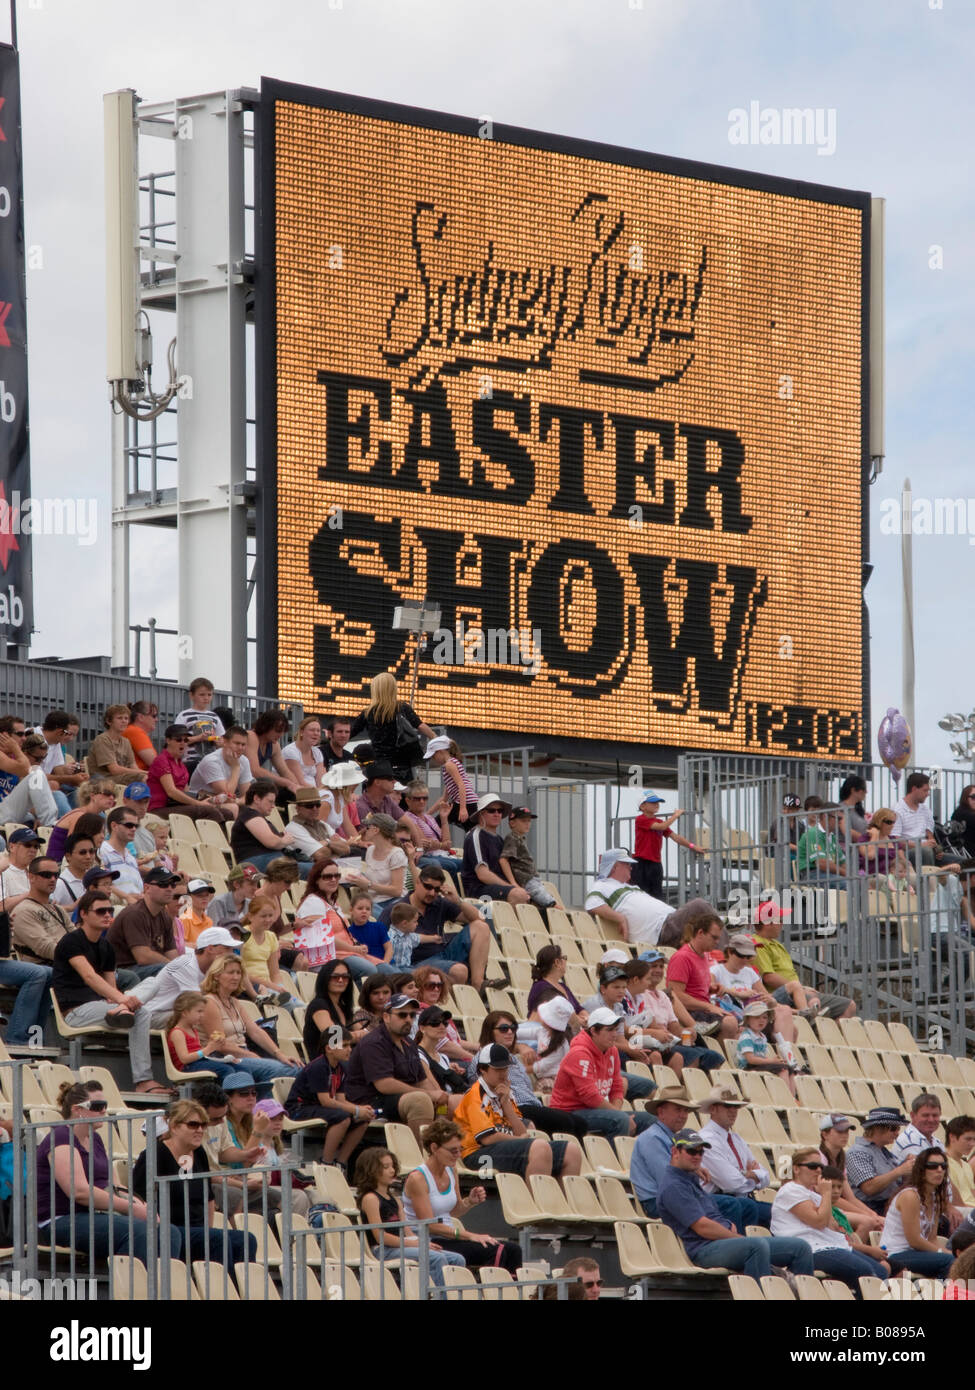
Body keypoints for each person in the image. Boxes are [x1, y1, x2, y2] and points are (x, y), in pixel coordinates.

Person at [37, 1081, 180, 1263]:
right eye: (97, 1106)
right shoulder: (61, 1137)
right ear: (77, 1109)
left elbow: (115, 1186)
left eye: (104, 1106)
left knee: (169, 1232)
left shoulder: (95, 1139)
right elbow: (79, 1191)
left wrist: (143, 1207)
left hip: (94, 1215)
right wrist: (131, 1208)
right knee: (138, 1231)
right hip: (61, 1219)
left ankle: (162, 1287)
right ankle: (134, 1288)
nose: (104, 1111)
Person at [51, 890, 170, 1096]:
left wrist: (120, 1002)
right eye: (100, 911)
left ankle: (122, 1011)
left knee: (152, 982)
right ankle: (143, 1080)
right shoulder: (71, 941)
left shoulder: (106, 946)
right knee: (141, 1013)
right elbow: (89, 977)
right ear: (84, 914)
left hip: (105, 1007)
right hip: (76, 1011)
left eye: (109, 910)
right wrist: (123, 1000)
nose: (107, 915)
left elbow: (110, 988)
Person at [657, 1129, 816, 1277]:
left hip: (718, 1242)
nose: (697, 1156)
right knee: (756, 1246)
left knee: (800, 1248)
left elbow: (710, 1216)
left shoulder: (688, 1178)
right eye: (691, 1151)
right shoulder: (674, 1186)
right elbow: (702, 1227)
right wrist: (735, 1236)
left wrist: (727, 1225)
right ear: (675, 1152)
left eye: (700, 1152)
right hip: (703, 1249)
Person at [132, 1099, 258, 1268]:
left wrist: (207, 1229)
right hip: (169, 1229)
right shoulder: (155, 1154)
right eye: (193, 1125)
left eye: (203, 1125)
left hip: (196, 1229)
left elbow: (208, 1198)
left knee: (247, 1239)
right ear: (175, 1126)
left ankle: (239, 1291)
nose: (200, 1130)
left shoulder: (199, 1153)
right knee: (217, 1239)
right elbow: (137, 1197)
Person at [402, 1117, 521, 1272]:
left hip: (449, 1237)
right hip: (428, 1240)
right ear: (434, 1148)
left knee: (513, 1250)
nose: (458, 1155)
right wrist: (470, 1235)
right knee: (494, 1250)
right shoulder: (418, 1179)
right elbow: (429, 1226)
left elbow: (455, 1211)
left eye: (460, 1149)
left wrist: (469, 1202)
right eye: (453, 1150)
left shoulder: (451, 1170)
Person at [454, 1042, 583, 1179]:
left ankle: (559, 1199)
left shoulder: (504, 1092)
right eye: (497, 1069)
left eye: (505, 1068)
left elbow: (522, 1132)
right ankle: (534, 1200)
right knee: (539, 1148)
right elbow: (488, 1138)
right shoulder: (474, 1095)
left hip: (501, 1148)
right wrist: (517, 1139)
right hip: (478, 1155)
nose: (503, 1073)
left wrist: (506, 1103)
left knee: (571, 1151)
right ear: (483, 1070)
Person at [771, 1149, 890, 1287]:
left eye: (821, 1167)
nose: (818, 1170)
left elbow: (833, 1225)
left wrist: (821, 1206)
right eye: (812, 1166)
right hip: (811, 1249)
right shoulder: (790, 1190)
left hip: (831, 1245)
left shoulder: (813, 1195)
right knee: (866, 1272)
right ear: (796, 1169)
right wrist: (826, 1194)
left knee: (880, 1271)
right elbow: (819, 1222)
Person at [355, 1147, 467, 1286]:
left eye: (392, 1166)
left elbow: (406, 1230)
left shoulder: (395, 1200)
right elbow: (380, 1237)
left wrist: (423, 1243)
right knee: (436, 1258)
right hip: (383, 1250)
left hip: (401, 1246)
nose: (392, 1170)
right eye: (385, 1167)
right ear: (370, 1171)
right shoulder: (370, 1199)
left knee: (457, 1259)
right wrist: (414, 1243)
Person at [344, 991, 446, 1139]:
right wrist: (428, 1094)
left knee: (452, 1100)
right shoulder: (374, 1042)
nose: (408, 1019)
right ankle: (424, 1157)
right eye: (402, 1015)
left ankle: (447, 1150)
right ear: (386, 1017)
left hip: (397, 1100)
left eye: (412, 1015)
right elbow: (384, 1085)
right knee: (420, 1100)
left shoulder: (408, 1043)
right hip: (371, 1102)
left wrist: (438, 1097)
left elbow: (422, 1080)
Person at [379, 866, 494, 993]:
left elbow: (480, 919)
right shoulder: (396, 909)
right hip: (415, 963)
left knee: (481, 927)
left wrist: (458, 901)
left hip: (442, 954)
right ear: (417, 882)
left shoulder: (439, 903)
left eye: (437, 889)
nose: (432, 893)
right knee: (460, 971)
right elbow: (379, 940)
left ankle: (478, 984)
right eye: (428, 887)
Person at [199, 954, 299, 1092]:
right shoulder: (209, 1002)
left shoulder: (234, 1002)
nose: (236, 977)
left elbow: (255, 1031)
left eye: (238, 973)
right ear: (216, 976)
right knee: (289, 1071)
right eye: (230, 972)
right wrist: (251, 1055)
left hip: (242, 1055)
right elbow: (220, 1044)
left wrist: (280, 1054)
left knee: (298, 1067)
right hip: (224, 1058)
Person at [549, 1008, 654, 1139]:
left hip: (593, 1110)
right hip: (568, 1113)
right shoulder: (579, 1053)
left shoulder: (612, 1050)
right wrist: (619, 1115)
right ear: (593, 1031)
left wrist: (617, 1111)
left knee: (650, 1120)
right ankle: (611, 1159)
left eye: (616, 1029)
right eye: (609, 1030)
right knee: (621, 1120)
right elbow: (589, 1096)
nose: (614, 1034)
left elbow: (617, 1086)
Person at [284, 1028, 373, 1165]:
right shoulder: (319, 1067)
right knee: (342, 1118)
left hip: (317, 1107)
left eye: (350, 1045)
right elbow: (325, 1101)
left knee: (362, 1120)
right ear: (329, 1048)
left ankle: (341, 1163)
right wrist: (355, 1110)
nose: (349, 1049)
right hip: (299, 1109)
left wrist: (360, 1109)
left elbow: (341, 1100)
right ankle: (326, 1163)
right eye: (344, 1046)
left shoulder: (341, 1068)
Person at [752, 901, 856, 1018]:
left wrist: (801, 989)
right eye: (779, 920)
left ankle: (823, 1034)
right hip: (787, 995)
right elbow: (769, 977)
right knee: (814, 1002)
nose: (782, 924)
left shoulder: (777, 944)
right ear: (767, 923)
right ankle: (812, 1022)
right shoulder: (758, 944)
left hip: (798, 992)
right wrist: (801, 988)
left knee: (849, 1006)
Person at [624, 955, 724, 1076]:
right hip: (647, 1041)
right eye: (653, 966)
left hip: (664, 1040)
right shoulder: (639, 995)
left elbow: (674, 1027)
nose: (658, 970)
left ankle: (697, 1089)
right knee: (690, 1056)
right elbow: (629, 1029)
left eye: (661, 966)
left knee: (713, 1057)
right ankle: (682, 1088)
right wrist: (657, 1033)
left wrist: (686, 1033)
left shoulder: (661, 996)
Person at [580, 962, 660, 1097]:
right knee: (648, 1085)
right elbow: (598, 1040)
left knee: (645, 1059)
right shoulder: (595, 1005)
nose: (621, 991)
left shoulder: (617, 1006)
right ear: (603, 988)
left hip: (612, 1051)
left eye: (623, 987)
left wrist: (633, 1051)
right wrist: (629, 1049)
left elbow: (620, 1037)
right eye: (616, 987)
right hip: (598, 1055)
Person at [697, 1086, 774, 1223]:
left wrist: (748, 1174)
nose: (733, 1111)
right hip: (723, 1204)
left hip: (740, 1201)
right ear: (713, 1109)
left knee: (781, 1214)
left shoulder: (736, 1139)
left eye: (735, 1107)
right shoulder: (706, 1140)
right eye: (727, 1106)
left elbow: (766, 1176)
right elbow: (731, 1184)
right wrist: (753, 1175)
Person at [665, 906, 739, 1041]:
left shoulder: (702, 955)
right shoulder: (682, 957)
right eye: (714, 938)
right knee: (730, 1023)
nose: (717, 942)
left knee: (745, 1030)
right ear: (700, 933)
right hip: (691, 1013)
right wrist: (709, 1006)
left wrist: (710, 989)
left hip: (701, 1009)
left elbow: (693, 989)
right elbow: (676, 996)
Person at [143, 924, 237, 1029]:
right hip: (153, 1016)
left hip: (175, 1013)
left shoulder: (213, 967)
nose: (232, 954)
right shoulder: (186, 965)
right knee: (196, 1016)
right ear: (210, 948)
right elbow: (200, 1004)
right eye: (227, 948)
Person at [879, 1147, 954, 1277]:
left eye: (943, 1166)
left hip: (917, 1253)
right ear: (921, 1170)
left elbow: (932, 1239)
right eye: (932, 1166)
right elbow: (914, 1240)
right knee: (950, 1261)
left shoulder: (934, 1197)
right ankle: (943, 1295)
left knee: (963, 1262)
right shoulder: (910, 1196)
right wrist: (944, 1253)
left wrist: (946, 1252)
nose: (940, 1170)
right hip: (896, 1253)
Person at [351, 672, 434, 784]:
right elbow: (420, 726)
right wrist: (436, 738)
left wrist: (330, 737)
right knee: (402, 799)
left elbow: (350, 732)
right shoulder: (402, 708)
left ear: (375, 690)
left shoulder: (368, 713)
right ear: (393, 689)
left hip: (377, 768)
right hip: (401, 767)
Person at [584, 846, 672, 947]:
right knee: (694, 908)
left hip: (669, 921)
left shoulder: (632, 887)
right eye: (627, 864)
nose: (631, 867)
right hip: (662, 927)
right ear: (614, 867)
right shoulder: (602, 885)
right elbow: (592, 904)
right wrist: (620, 918)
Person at [146, 724, 234, 823]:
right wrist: (198, 803)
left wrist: (209, 799)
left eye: (186, 740)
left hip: (176, 806)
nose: (183, 743)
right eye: (179, 740)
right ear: (168, 740)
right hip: (160, 808)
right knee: (208, 811)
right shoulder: (161, 760)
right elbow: (171, 791)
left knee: (227, 813)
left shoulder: (181, 765)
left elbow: (187, 791)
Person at [107, 868, 181, 981]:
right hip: (121, 972)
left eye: (172, 885)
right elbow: (143, 957)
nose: (169, 889)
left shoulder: (164, 916)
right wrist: (172, 966)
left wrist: (180, 969)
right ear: (147, 888)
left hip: (146, 969)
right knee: (166, 969)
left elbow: (171, 953)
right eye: (163, 884)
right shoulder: (134, 914)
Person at [818, 1115, 885, 1237]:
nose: (845, 1135)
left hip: (830, 1206)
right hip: (820, 1207)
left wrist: (873, 1215)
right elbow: (832, 1198)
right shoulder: (820, 1159)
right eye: (839, 1131)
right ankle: (855, 1250)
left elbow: (850, 1197)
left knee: (879, 1221)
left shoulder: (840, 1159)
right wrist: (867, 1216)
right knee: (867, 1222)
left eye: (846, 1131)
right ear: (825, 1134)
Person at [166, 989, 248, 1086]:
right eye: (199, 1011)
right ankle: (227, 1098)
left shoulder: (193, 1030)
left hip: (198, 1062)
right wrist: (209, 1048)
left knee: (240, 1068)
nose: (202, 1015)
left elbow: (199, 1052)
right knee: (226, 1070)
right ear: (184, 1013)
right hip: (187, 1067)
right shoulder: (178, 1032)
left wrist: (225, 1058)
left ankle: (242, 1095)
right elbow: (184, 1059)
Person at [461, 794, 530, 904]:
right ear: (481, 814)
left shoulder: (499, 839)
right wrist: (512, 887)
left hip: (499, 888)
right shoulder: (476, 835)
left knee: (540, 895)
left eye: (500, 810)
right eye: (492, 810)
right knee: (519, 895)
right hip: (479, 890)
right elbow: (483, 874)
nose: (497, 814)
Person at [845, 1107, 915, 1214]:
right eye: (893, 1128)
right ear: (878, 1128)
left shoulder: (882, 1151)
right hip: (871, 1209)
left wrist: (906, 1167)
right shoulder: (857, 1152)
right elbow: (869, 1188)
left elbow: (896, 1182)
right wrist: (900, 1170)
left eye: (898, 1129)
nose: (897, 1133)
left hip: (889, 1205)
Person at [230, 778, 308, 873]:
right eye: (270, 801)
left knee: (319, 869)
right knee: (316, 871)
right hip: (257, 863)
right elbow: (272, 842)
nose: (273, 806)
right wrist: (285, 840)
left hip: (269, 861)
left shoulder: (254, 816)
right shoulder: (250, 815)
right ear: (256, 799)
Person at [631, 793, 701, 898]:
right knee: (641, 895)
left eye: (657, 803)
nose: (656, 805)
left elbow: (675, 837)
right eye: (653, 802)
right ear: (642, 806)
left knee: (656, 895)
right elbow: (661, 827)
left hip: (655, 863)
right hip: (641, 862)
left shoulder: (659, 821)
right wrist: (675, 816)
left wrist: (693, 846)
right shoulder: (640, 819)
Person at [240, 892, 304, 998]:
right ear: (251, 916)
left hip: (268, 987)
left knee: (298, 1006)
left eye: (270, 915)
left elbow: (275, 973)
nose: (268, 920)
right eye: (263, 916)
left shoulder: (271, 937)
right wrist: (272, 986)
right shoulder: (242, 935)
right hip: (250, 987)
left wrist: (279, 987)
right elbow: (242, 972)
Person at [0, 712, 59, 826]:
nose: (24, 738)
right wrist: (15, 747)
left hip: (7, 811)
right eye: (20, 734)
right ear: (4, 735)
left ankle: (47, 822)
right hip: (2, 812)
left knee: (37, 773)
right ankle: (50, 824)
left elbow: (29, 794)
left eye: (25, 734)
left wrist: (37, 816)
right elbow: (26, 769)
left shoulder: (14, 757)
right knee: (36, 772)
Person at [11, 856, 72, 965]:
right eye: (46, 875)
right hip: (49, 969)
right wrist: (79, 957)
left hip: (71, 964)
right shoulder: (23, 911)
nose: (53, 879)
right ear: (31, 877)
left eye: (56, 875)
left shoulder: (58, 909)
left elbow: (76, 936)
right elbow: (45, 948)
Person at [399, 779, 461, 885]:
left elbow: (447, 843)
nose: (422, 801)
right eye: (417, 799)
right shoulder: (408, 818)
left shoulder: (429, 818)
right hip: (426, 856)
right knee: (452, 866)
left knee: (465, 864)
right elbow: (426, 844)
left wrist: (444, 818)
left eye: (425, 798)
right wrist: (441, 844)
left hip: (440, 854)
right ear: (408, 800)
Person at [348, 813, 408, 911]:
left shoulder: (396, 854)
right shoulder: (370, 850)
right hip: (373, 902)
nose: (364, 830)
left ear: (376, 830)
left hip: (393, 902)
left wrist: (368, 885)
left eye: (367, 827)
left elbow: (397, 891)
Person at [736, 1001, 796, 1094]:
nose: (762, 1020)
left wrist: (775, 1060)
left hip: (759, 1065)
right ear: (747, 1020)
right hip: (748, 1067)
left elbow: (761, 1056)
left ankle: (792, 1098)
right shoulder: (746, 1036)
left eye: (765, 1017)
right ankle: (786, 1096)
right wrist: (771, 1061)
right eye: (757, 1017)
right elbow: (751, 1059)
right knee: (783, 1070)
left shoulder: (762, 1036)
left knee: (790, 1069)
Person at [188, 725, 253, 808]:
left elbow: (248, 795)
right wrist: (235, 768)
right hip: (201, 800)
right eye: (236, 743)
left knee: (256, 805)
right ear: (225, 742)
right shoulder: (211, 761)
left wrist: (238, 801)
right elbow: (226, 794)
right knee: (233, 807)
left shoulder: (244, 760)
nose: (240, 748)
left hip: (223, 801)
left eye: (243, 744)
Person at [302, 959, 358, 1055]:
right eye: (335, 977)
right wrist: (358, 1035)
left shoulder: (344, 1007)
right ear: (325, 979)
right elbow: (333, 1038)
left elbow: (362, 1030)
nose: (340, 980)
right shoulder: (318, 1005)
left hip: (346, 1059)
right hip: (326, 1063)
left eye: (345, 977)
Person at [173, 678, 225, 774]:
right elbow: (177, 740)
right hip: (190, 761)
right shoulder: (184, 715)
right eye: (202, 695)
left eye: (209, 695)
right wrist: (199, 737)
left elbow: (223, 741)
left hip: (212, 762)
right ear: (191, 695)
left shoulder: (214, 716)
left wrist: (217, 740)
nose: (206, 698)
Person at [424, 735, 478, 826]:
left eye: (433, 756)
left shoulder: (449, 765)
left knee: (436, 825)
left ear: (440, 752)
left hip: (466, 803)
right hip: (466, 803)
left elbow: (461, 785)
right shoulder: (452, 764)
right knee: (470, 829)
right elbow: (444, 798)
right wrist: (427, 814)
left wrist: (463, 808)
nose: (434, 759)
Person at [526, 942, 586, 1024]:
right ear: (557, 962)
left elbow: (578, 1008)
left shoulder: (562, 986)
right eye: (564, 958)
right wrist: (578, 1020)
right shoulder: (540, 987)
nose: (566, 961)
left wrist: (586, 1017)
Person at [796, 799, 848, 890]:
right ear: (825, 816)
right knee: (848, 884)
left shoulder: (832, 837)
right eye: (838, 818)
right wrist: (846, 874)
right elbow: (821, 863)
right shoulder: (813, 833)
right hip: (811, 875)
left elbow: (843, 863)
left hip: (826, 874)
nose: (840, 822)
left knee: (859, 883)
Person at [98, 806, 146, 904]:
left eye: (135, 826)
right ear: (114, 826)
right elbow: (101, 884)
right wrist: (127, 897)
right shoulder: (102, 851)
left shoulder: (131, 858)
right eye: (129, 825)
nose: (133, 829)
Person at [86, 704, 142, 786]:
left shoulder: (126, 741)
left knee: (148, 778)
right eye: (120, 718)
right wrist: (144, 773)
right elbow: (114, 770)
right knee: (143, 778)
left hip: (121, 777)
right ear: (109, 721)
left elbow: (133, 765)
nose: (124, 721)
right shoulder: (102, 739)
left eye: (126, 718)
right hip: (104, 780)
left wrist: (144, 773)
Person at [244, 710, 295, 798]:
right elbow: (254, 770)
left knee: (289, 790)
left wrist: (298, 787)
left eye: (283, 731)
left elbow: (285, 772)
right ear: (265, 726)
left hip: (249, 780)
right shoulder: (251, 736)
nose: (281, 735)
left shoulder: (274, 745)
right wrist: (287, 783)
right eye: (278, 731)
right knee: (268, 782)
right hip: (238, 779)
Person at [0, 825, 44, 912]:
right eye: (27, 845)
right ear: (12, 847)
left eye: (36, 846)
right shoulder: (2, 870)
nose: (33, 850)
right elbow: (1, 906)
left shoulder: (35, 873)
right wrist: (32, 894)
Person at [51, 833, 100, 907]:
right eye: (82, 852)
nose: (88, 856)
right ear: (68, 856)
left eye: (91, 851)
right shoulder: (59, 884)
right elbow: (49, 910)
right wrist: (72, 907)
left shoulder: (95, 879)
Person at [209, 862, 262, 931]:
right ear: (236, 884)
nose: (255, 888)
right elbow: (216, 935)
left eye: (256, 884)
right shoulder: (218, 903)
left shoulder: (251, 904)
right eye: (251, 884)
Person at [282, 716, 326, 791]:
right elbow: (299, 782)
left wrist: (323, 791)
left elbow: (321, 781)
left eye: (318, 731)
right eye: (312, 730)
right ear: (302, 732)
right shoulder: (290, 751)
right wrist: (319, 792)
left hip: (314, 791)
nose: (316, 733)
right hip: (293, 792)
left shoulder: (317, 752)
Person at [945, 1115, 975, 1211]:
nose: (972, 1144)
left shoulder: (966, 1165)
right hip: (960, 1212)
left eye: (974, 1139)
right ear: (952, 1137)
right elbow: (953, 1201)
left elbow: (971, 1193)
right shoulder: (943, 1164)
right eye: (968, 1139)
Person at [123, 701, 159, 772]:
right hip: (137, 778)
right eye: (154, 716)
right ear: (140, 717)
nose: (156, 720)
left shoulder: (131, 730)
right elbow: (155, 763)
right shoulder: (135, 731)